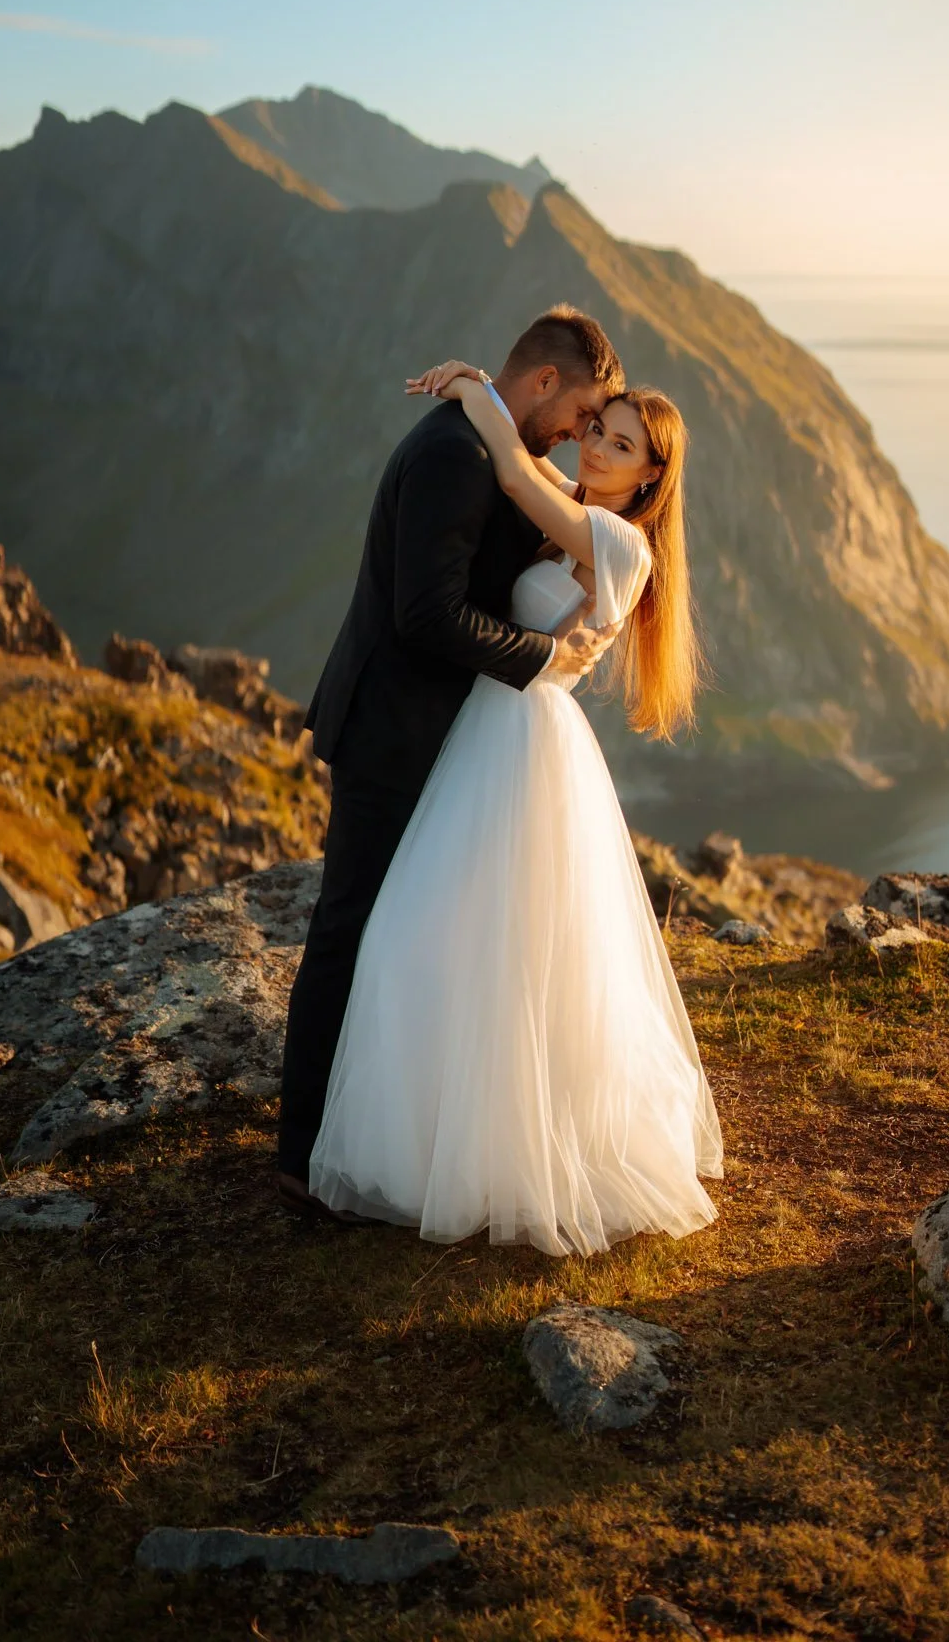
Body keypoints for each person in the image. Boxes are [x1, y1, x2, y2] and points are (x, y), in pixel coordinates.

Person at [307, 355, 723, 1255]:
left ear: (652, 474)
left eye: (619, 446)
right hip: (487, 729)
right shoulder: (580, 512)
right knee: (452, 938)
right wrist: (492, 395)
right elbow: (527, 467)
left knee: (515, 949)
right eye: (598, 431)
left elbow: (508, 466)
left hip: (525, 741)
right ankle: (439, 1128)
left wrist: (472, 392)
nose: (596, 450)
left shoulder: (617, 543)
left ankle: (510, 1147)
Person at [276, 306, 626, 1215]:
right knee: (350, 928)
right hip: (392, 729)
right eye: (582, 414)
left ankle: (388, 1125)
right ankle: (305, 1148)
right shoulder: (450, 455)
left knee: (415, 933)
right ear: (545, 383)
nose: (579, 437)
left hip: (453, 738)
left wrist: (473, 386)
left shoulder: (494, 446)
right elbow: (423, 615)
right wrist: (545, 659)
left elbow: (526, 490)